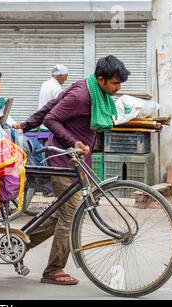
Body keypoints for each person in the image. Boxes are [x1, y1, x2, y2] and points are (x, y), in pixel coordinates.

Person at [12, 55, 130, 285]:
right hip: (64, 160)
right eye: (115, 83)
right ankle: (53, 270)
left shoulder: (91, 89)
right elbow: (52, 118)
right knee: (71, 215)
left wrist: (27, 124)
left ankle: (19, 245)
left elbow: (51, 105)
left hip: (77, 161)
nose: (118, 88)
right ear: (101, 79)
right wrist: (73, 142)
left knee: (61, 214)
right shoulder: (82, 95)